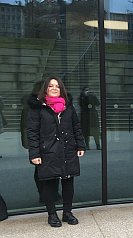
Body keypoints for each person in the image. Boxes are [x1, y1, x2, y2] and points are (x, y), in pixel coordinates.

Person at [27, 77, 86, 227]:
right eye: (51, 86)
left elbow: (76, 128)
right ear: (45, 89)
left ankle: (67, 213)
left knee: (68, 183)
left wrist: (80, 145)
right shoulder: (38, 108)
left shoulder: (68, 107)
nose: (54, 88)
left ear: (61, 89)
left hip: (68, 150)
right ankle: (52, 214)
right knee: (49, 184)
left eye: (57, 86)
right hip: (48, 152)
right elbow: (32, 133)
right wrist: (34, 154)